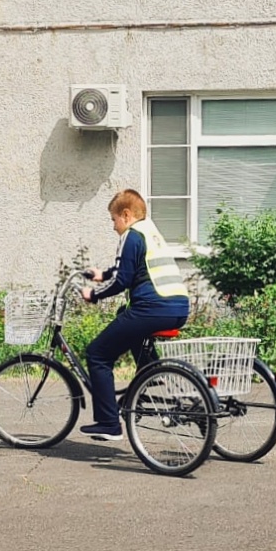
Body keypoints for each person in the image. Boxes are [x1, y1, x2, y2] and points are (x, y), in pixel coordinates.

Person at [78, 189, 191, 441]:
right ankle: (148, 378)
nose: (113, 226)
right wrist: (102, 275)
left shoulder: (131, 235)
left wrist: (93, 295)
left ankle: (109, 424)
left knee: (97, 354)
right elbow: (130, 269)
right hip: (177, 307)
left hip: (153, 308)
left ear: (126, 215)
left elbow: (123, 281)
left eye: (113, 219)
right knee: (124, 315)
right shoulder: (150, 232)